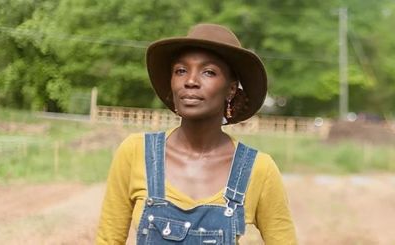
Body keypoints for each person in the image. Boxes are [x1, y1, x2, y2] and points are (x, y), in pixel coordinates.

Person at [96, 23, 297, 244]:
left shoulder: (258, 168)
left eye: (208, 72)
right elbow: (108, 239)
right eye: (181, 71)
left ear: (231, 89)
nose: (190, 81)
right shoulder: (136, 152)